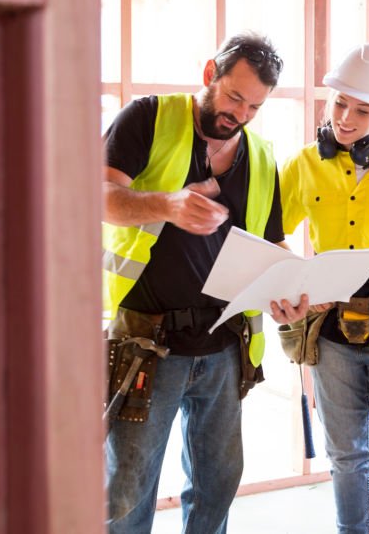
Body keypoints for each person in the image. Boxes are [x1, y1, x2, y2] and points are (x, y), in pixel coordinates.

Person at [102, 32, 307, 533]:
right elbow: (100, 196)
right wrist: (167, 204)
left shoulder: (260, 155)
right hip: (147, 340)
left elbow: (273, 242)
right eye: (235, 97)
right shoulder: (149, 118)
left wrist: (291, 288)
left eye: (254, 106)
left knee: (218, 481)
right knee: (129, 488)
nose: (239, 114)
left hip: (224, 344)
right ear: (209, 73)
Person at [273, 44, 369, 534]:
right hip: (333, 334)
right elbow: (269, 233)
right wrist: (294, 282)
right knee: (346, 459)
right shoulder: (303, 165)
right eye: (339, 103)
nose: (345, 118)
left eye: (362, 110)